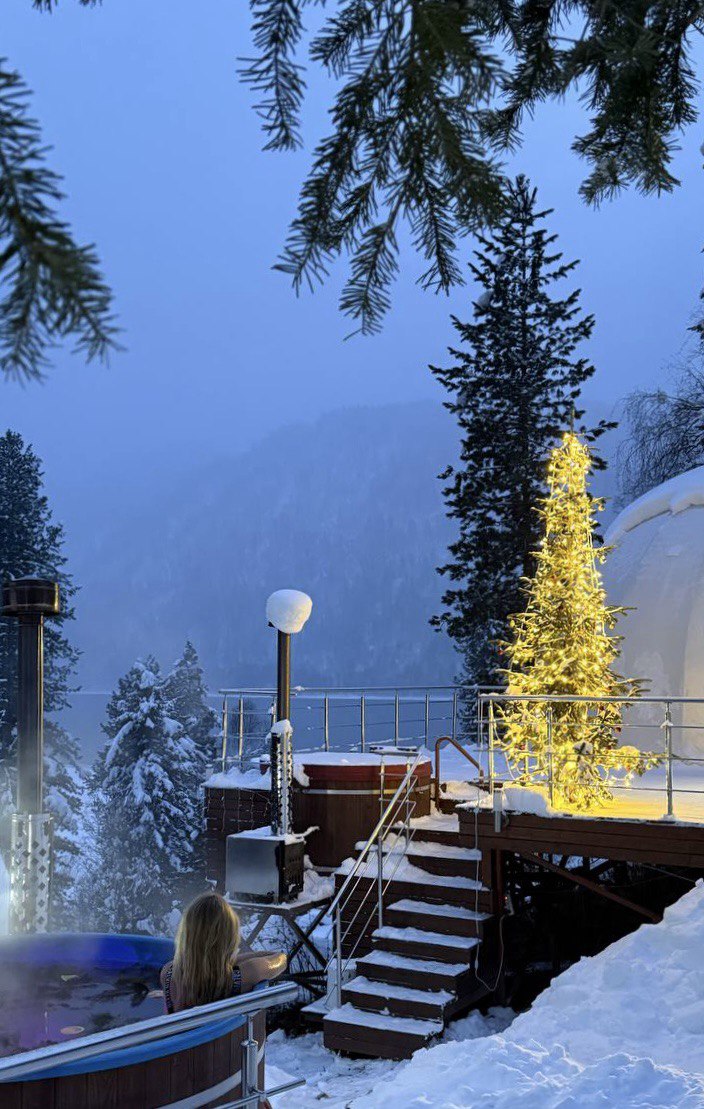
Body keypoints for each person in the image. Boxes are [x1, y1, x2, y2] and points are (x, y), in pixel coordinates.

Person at [160, 891, 286, 1013]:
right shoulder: (242, 975)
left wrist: (224, 961)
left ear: (186, 934)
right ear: (228, 937)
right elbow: (281, 959)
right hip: (229, 1028)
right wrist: (226, 959)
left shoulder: (168, 973)